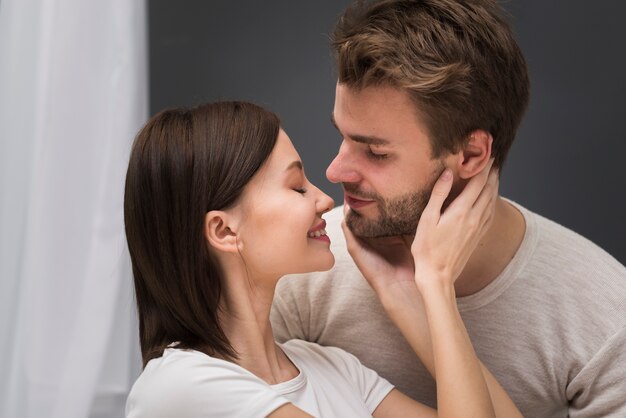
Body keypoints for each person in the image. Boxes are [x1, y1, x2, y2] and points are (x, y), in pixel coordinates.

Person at [271, 1, 626, 417]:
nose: (334, 170)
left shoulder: (603, 314)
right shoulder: (302, 266)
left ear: (472, 155)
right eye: (344, 137)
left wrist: (420, 297)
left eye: (376, 152)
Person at [123, 101, 522, 417]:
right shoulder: (184, 389)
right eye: (297, 187)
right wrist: (435, 279)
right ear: (225, 231)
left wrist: (407, 297)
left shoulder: (330, 367)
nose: (324, 199)